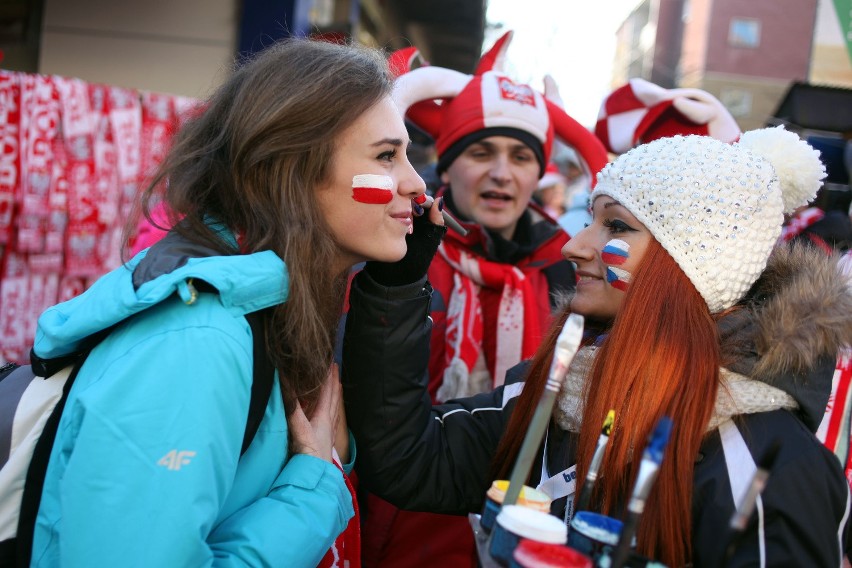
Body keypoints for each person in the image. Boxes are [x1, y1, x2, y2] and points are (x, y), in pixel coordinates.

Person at [343, 126, 852, 566]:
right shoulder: (561, 393)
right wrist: (397, 283)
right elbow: (407, 458)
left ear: (691, 265)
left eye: (616, 225)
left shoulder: (766, 463)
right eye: (591, 219)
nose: (575, 245)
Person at [29, 38, 431, 567]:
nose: (419, 187)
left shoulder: (274, 308)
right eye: (386, 156)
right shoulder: (196, 344)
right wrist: (313, 488)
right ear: (292, 170)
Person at [354, 33, 609, 567]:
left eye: (520, 156)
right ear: (445, 166)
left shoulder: (575, 279)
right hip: (401, 529)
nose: (501, 172)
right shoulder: (396, 257)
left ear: (538, 175)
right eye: (480, 151)